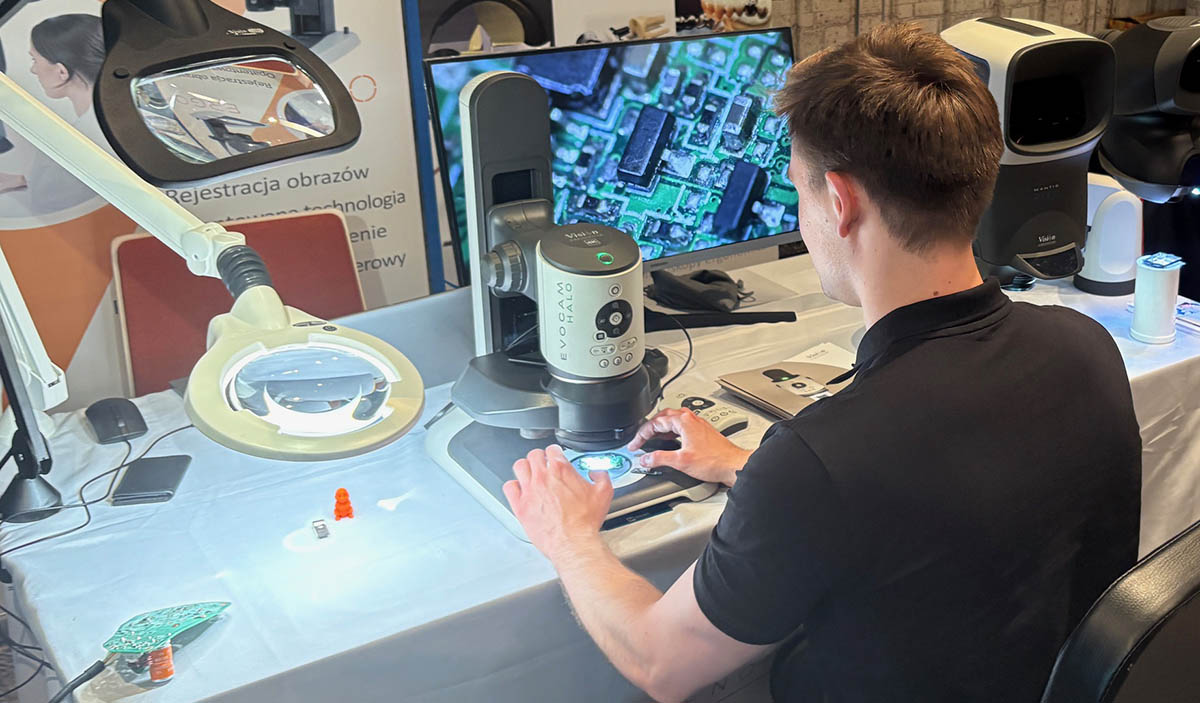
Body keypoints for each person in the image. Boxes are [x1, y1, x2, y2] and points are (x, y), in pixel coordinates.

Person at [503, 22, 1142, 703]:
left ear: (839, 202)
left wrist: (568, 535)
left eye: (797, 192)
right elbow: (938, 495)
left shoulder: (822, 460)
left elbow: (660, 661)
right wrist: (742, 464)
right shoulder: (1086, 349)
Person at [0, 14, 110, 215]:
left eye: (35, 60)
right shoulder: (106, 122)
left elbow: (50, 197)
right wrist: (19, 180)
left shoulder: (81, 140)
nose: (33, 69)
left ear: (61, 72)